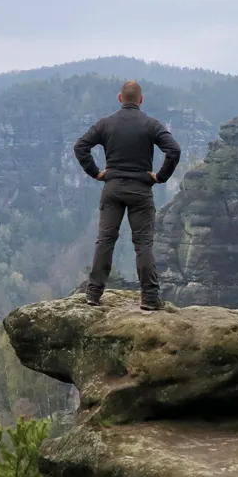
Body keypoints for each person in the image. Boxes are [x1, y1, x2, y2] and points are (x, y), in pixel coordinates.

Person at [73, 80, 181, 309]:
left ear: (119, 98)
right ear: (140, 100)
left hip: (112, 189)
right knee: (143, 244)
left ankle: (93, 295)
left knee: (105, 240)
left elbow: (80, 146)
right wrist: (160, 176)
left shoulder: (106, 124)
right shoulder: (151, 125)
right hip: (141, 190)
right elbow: (174, 150)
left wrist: (95, 173)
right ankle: (150, 298)